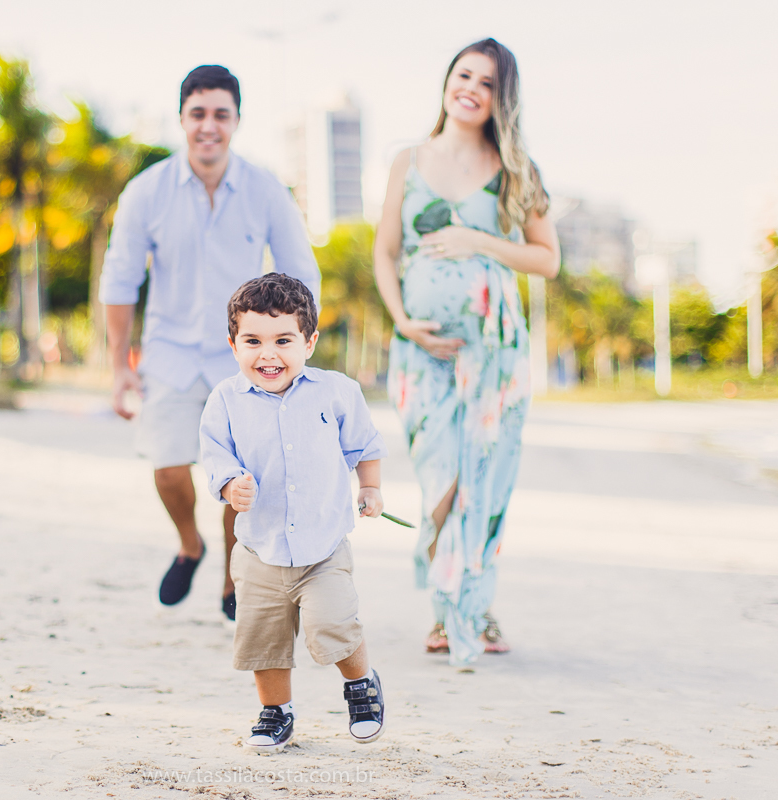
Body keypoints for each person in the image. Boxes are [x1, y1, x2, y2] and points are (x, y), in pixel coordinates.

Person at [99, 66, 320, 620]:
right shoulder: (146, 191)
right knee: (169, 467)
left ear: (236, 121)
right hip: (169, 353)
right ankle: (189, 544)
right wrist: (118, 366)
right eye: (198, 114)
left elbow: (301, 272)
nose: (208, 126)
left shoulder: (266, 189)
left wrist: (293, 354)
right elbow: (121, 279)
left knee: (239, 479)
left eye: (221, 114)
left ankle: (230, 574)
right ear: (182, 119)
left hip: (245, 359)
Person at [372, 39, 560, 664]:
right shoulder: (408, 159)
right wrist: (404, 322)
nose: (471, 88)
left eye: (488, 83)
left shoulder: (516, 168)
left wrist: (477, 239)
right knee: (442, 483)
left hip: (495, 353)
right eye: (464, 74)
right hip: (420, 351)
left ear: (500, 99)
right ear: (448, 81)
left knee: (486, 482)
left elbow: (546, 259)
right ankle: (453, 600)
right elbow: (385, 252)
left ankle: (465, 609)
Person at [200, 273, 388, 752]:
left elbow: (365, 444)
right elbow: (215, 454)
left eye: (283, 340)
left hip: (322, 548)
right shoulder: (224, 400)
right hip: (259, 550)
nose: (268, 354)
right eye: (253, 341)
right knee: (263, 638)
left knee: (334, 625)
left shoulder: (336, 392)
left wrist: (370, 488)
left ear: (309, 341)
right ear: (233, 344)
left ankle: (361, 683)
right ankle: (275, 711)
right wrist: (229, 483)